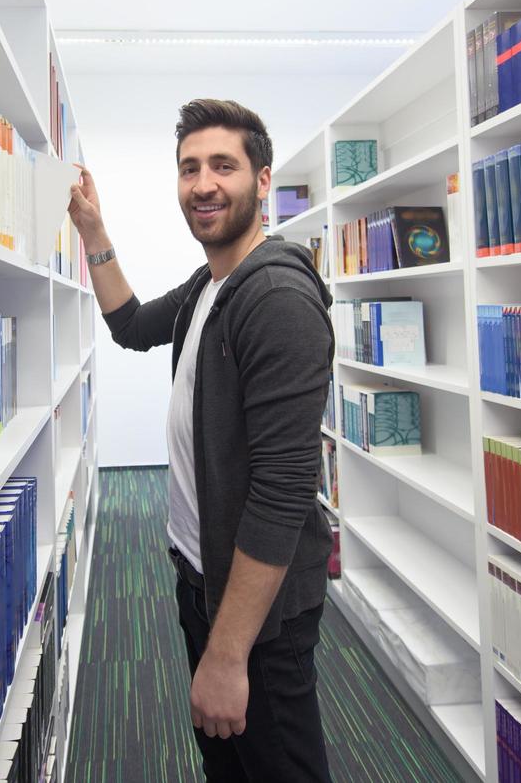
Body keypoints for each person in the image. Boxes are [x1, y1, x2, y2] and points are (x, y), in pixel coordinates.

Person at [67, 98, 335, 782]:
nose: (203, 184)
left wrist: (226, 654)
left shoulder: (273, 298)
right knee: (230, 768)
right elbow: (128, 325)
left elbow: (280, 496)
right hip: (204, 580)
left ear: (262, 179)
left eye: (223, 165)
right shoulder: (209, 284)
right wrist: (92, 228)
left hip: (258, 613)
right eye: (189, 168)